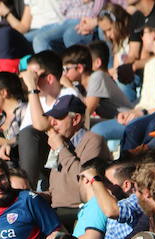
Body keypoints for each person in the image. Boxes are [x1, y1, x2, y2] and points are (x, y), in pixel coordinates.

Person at [42, 95, 110, 226]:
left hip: (79, 211)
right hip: (58, 211)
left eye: (59, 117)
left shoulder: (93, 140)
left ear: (76, 119)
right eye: (52, 118)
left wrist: (61, 149)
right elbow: (58, 191)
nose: (53, 123)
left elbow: (86, 180)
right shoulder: (62, 143)